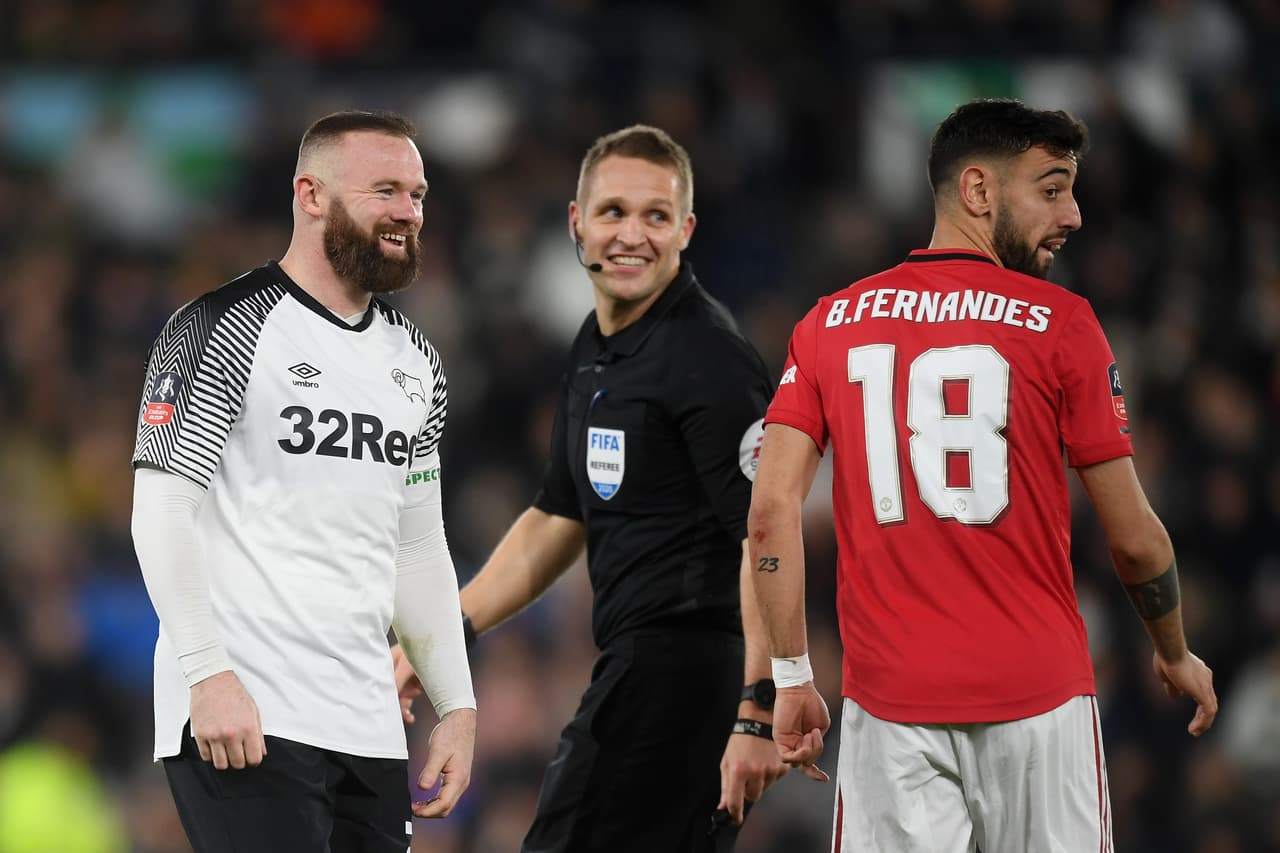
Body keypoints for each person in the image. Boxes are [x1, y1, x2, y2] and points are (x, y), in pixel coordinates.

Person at [747, 98, 1219, 852]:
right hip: (1041, 706)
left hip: (890, 711)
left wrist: (793, 675)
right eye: (1053, 187)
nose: (1074, 215)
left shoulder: (827, 324)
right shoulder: (1064, 324)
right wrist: (1172, 647)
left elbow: (770, 514)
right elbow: (1133, 540)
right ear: (979, 191)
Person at [396, 124, 799, 851]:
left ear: (686, 230)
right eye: (613, 212)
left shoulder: (708, 359)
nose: (631, 234)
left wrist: (757, 707)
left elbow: (764, 535)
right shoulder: (598, 345)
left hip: (684, 672)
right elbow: (559, 513)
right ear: (578, 223)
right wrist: (447, 633)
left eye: (655, 215)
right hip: (641, 667)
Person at [130, 110, 477, 853]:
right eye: (386, 190)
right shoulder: (222, 328)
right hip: (244, 708)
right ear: (311, 194)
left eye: (417, 195)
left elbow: (417, 548)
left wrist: (457, 703)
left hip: (368, 724)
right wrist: (206, 674)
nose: (408, 213)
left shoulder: (416, 364)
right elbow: (160, 511)